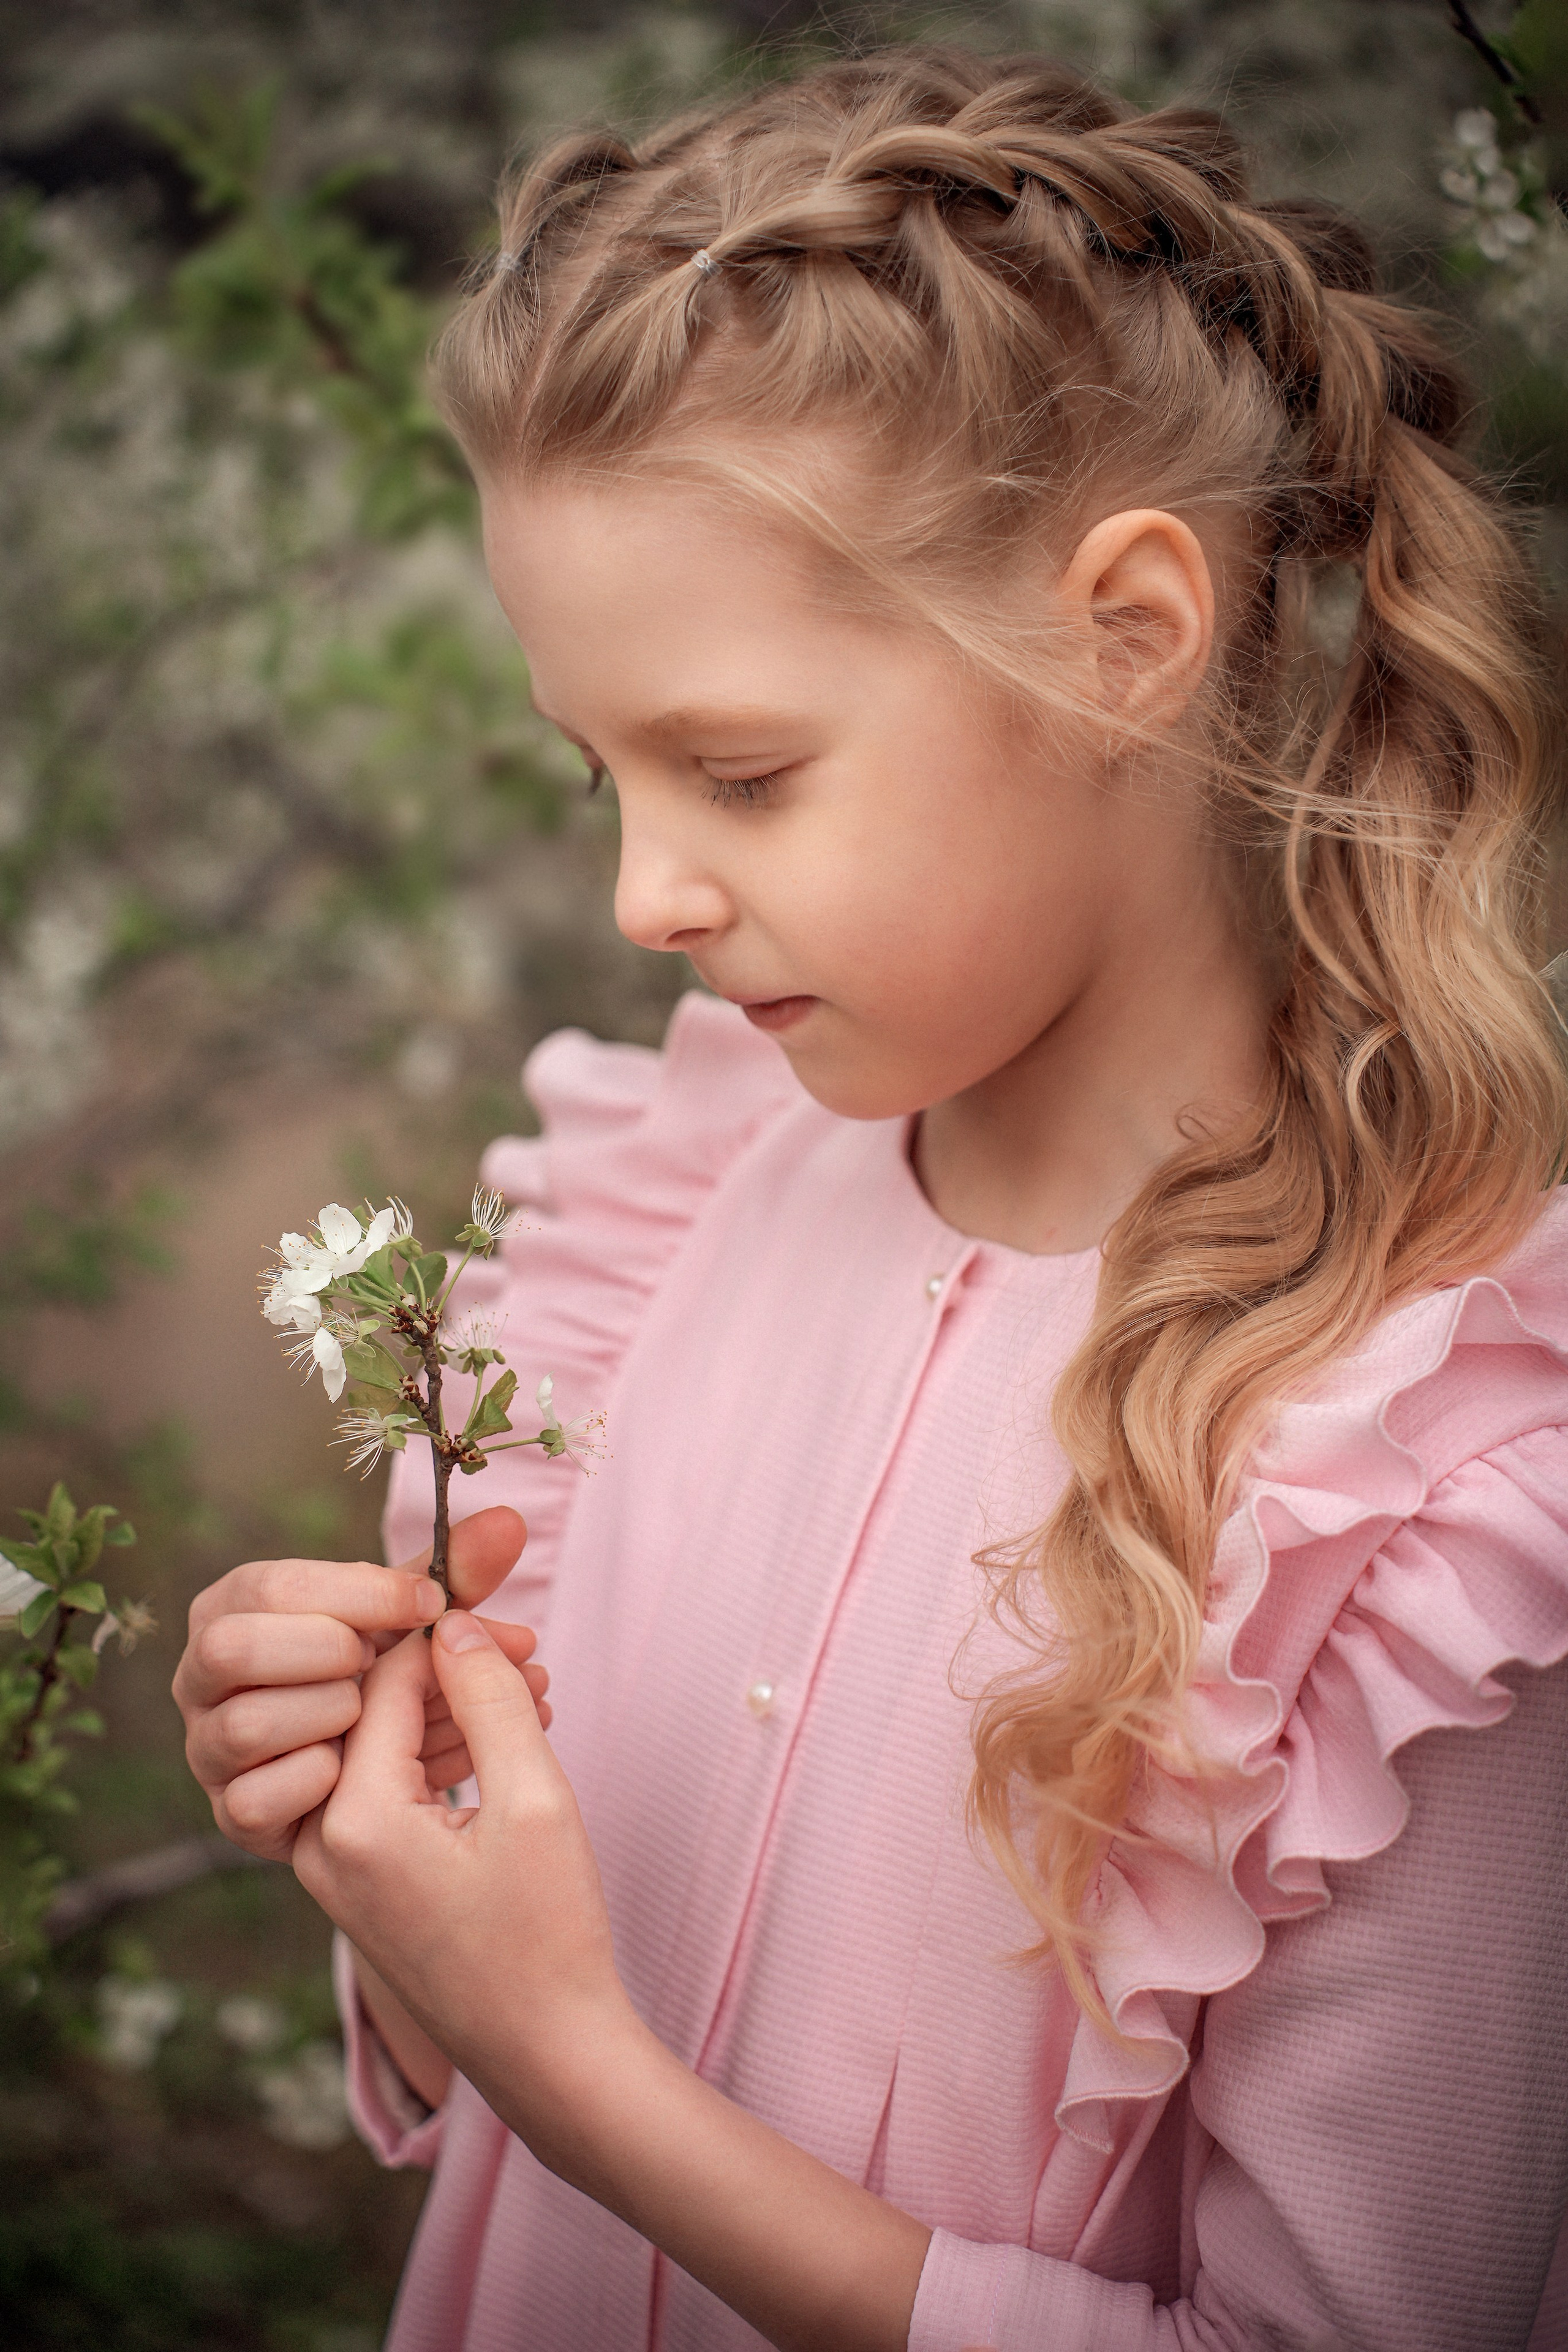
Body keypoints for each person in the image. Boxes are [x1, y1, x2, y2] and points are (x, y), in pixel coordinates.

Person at [172, 47, 1568, 2352]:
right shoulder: (687, 1187)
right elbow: (496, 2019)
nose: (640, 894)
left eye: (739, 769)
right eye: (597, 766)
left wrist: (581, 2074)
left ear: (1124, 638)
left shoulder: (1433, 1507)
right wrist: (396, 1869)